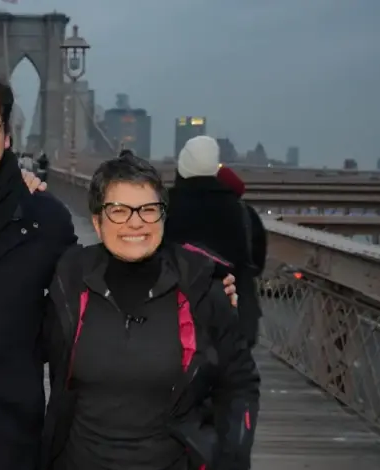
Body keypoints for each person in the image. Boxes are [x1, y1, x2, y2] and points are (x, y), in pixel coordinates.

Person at [0, 72, 238, 470]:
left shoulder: (45, 220)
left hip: (10, 443)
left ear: (6, 136)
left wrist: (199, 281)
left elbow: (105, 278)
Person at [42, 157, 260, 470]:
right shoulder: (68, 281)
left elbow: (238, 384)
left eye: (148, 209)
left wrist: (231, 457)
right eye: (118, 210)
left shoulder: (203, 290)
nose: (135, 222)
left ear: (162, 217)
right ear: (96, 222)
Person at [165, 136, 263, 347]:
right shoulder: (244, 213)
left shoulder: (160, 210)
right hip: (233, 323)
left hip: (173, 324)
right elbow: (256, 264)